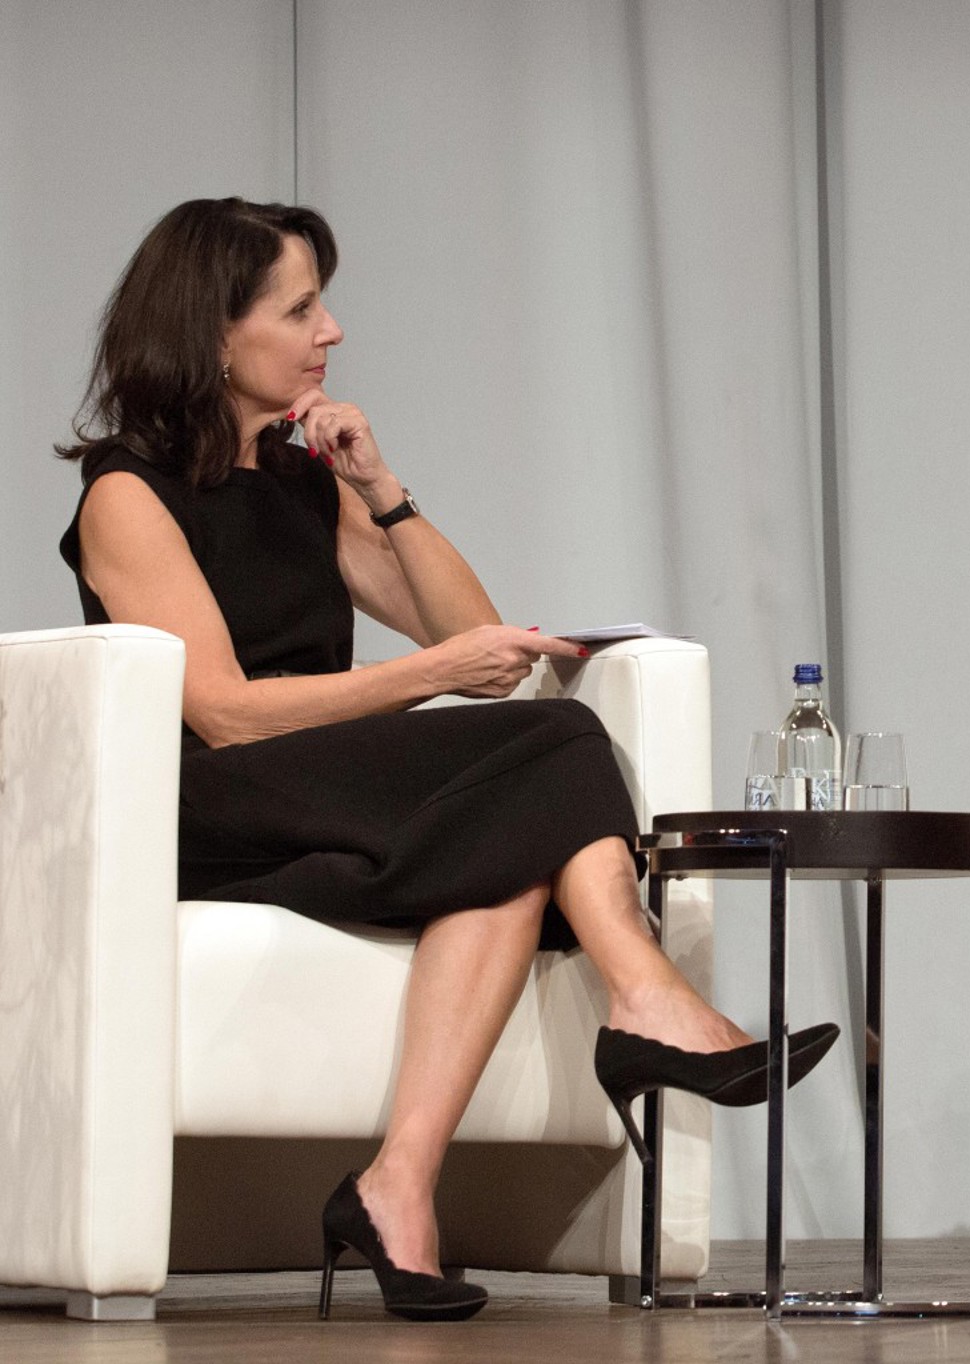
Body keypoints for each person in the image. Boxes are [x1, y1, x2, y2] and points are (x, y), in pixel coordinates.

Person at [56, 198, 837, 1322]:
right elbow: (223, 713)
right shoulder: (126, 493)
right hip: (217, 807)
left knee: (509, 847)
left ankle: (396, 1186)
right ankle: (647, 992)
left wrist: (383, 491)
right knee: (558, 744)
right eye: (301, 309)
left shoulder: (305, 479)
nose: (331, 331)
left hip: (325, 798)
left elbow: (478, 638)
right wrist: (429, 676)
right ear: (215, 334)